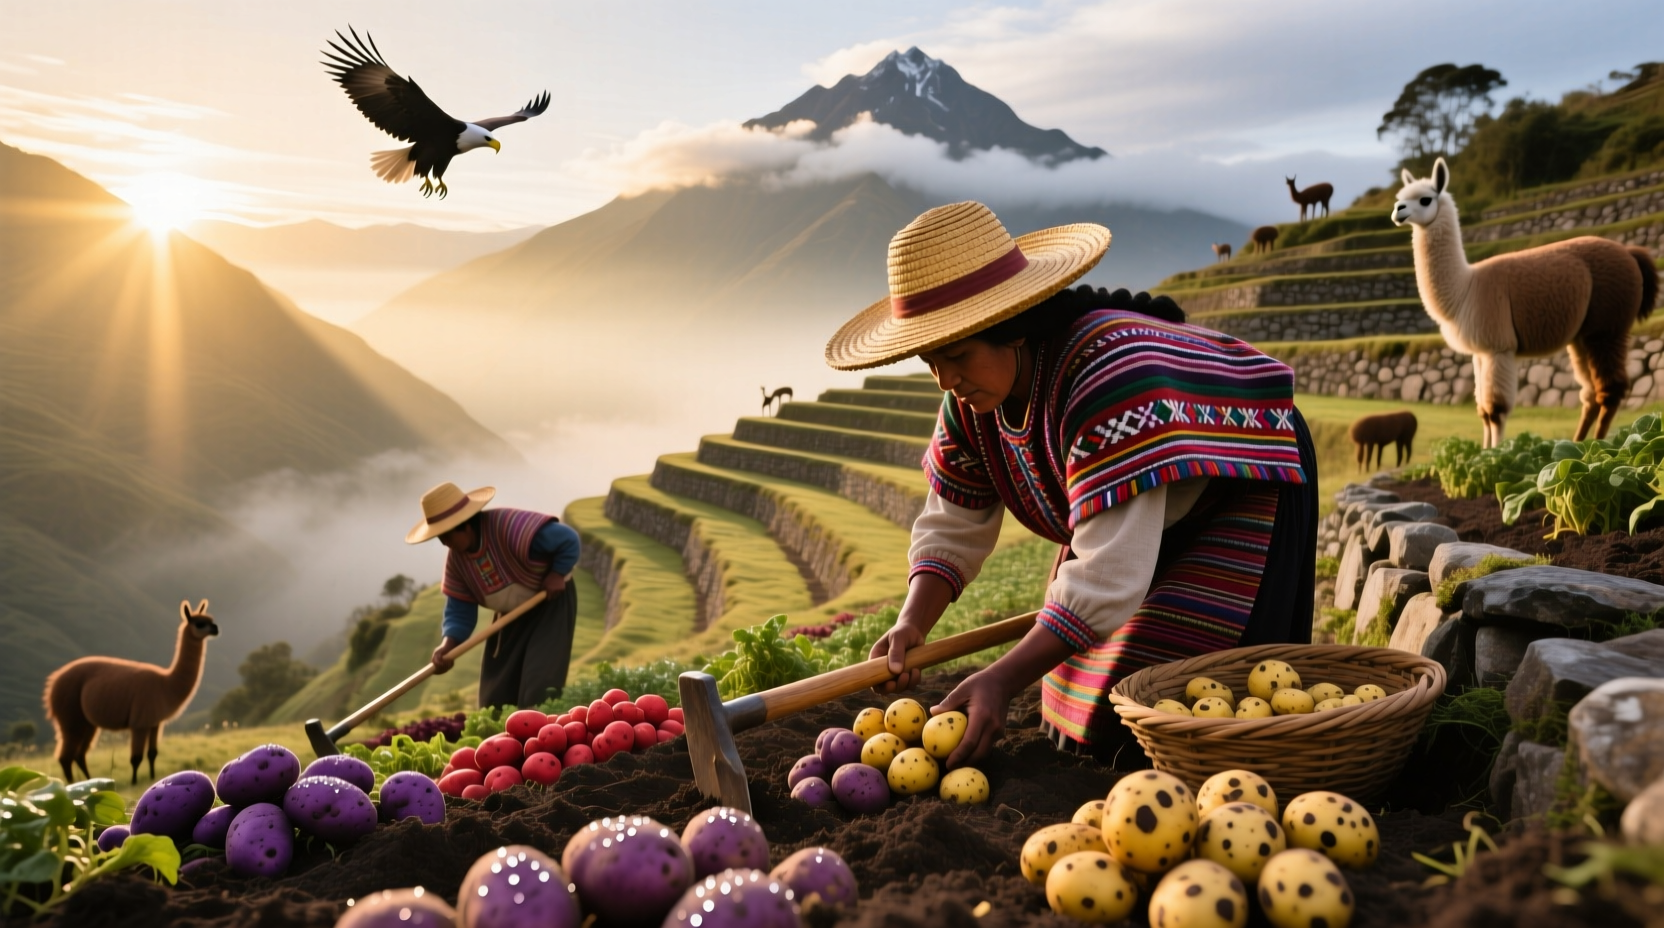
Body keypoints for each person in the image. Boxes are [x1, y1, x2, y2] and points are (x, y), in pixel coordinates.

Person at [823, 201, 1318, 768]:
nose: (947, 380)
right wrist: (913, 621)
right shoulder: (969, 402)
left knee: (1195, 700)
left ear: (1011, 329)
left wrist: (1003, 678)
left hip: (1243, 475)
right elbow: (953, 521)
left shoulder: (1106, 381)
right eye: (929, 360)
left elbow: (1107, 574)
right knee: (1078, 710)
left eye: (957, 355)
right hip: (1130, 502)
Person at [407, 481, 582, 708]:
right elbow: (459, 611)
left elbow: (568, 539)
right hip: (510, 616)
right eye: (440, 537)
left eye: (446, 536)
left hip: (549, 602)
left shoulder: (511, 528)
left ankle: (542, 739)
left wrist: (557, 573)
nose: (444, 543)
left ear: (465, 525)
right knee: (495, 696)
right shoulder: (457, 562)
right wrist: (447, 646)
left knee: (540, 685)